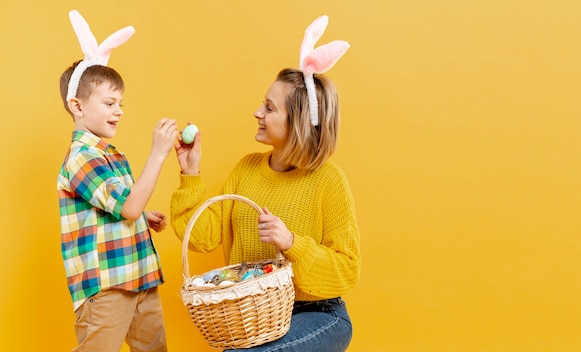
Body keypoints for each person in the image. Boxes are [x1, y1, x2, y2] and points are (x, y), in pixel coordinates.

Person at [170, 15, 360, 352]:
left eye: (269, 108)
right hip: (257, 315)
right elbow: (202, 238)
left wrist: (291, 243)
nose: (257, 112)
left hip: (319, 313)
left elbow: (346, 270)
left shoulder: (328, 181)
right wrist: (190, 173)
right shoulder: (246, 169)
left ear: (297, 122)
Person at [57, 10, 177, 352]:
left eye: (120, 103)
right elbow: (127, 206)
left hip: (139, 277)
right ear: (77, 105)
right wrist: (157, 154)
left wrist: (141, 215)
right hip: (106, 286)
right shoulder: (82, 157)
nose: (119, 110)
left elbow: (123, 206)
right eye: (109, 103)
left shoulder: (110, 154)